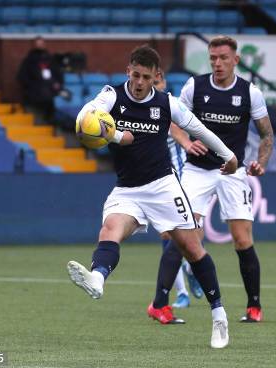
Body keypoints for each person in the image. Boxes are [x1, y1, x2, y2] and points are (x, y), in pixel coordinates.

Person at [66, 45, 238, 349]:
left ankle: (219, 315)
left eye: (146, 77)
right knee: (109, 230)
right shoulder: (112, 95)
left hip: (163, 187)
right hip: (127, 189)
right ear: (127, 71)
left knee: (192, 248)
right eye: (135, 75)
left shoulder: (167, 103)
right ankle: (97, 278)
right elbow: (83, 119)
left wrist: (228, 155)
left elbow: (200, 129)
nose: (139, 82)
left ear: (156, 76)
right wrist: (118, 135)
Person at [149, 35, 274, 324]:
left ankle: (254, 306)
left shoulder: (249, 92)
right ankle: (159, 304)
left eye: (223, 58)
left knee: (242, 240)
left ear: (236, 60)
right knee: (183, 236)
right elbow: (172, 119)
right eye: (213, 58)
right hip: (197, 172)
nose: (218, 63)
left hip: (233, 173)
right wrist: (185, 142)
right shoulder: (196, 86)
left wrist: (262, 162)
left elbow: (267, 134)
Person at [153, 72, 204, 309]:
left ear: (162, 81)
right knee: (166, 234)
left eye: (155, 82)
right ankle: (182, 291)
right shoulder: (136, 108)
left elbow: (175, 128)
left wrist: (186, 144)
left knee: (187, 235)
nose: (151, 87)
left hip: (183, 177)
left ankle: (191, 267)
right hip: (156, 179)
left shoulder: (169, 105)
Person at [16, 36, 64, 123]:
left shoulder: (50, 59)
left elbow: (58, 75)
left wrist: (57, 83)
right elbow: (22, 76)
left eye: (41, 43)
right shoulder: (29, 60)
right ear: (33, 45)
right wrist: (31, 86)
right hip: (35, 92)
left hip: (50, 92)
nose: (40, 46)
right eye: (37, 44)